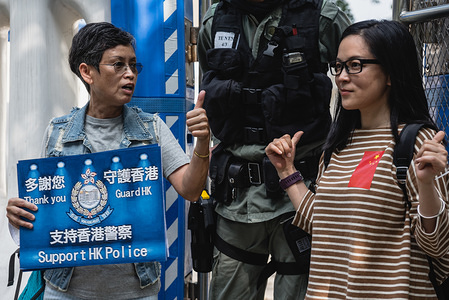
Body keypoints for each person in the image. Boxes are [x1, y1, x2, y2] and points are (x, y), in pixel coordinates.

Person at [6, 22, 210, 300]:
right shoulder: (58, 131)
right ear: (87, 71)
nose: (130, 75)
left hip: (136, 292)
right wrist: (20, 214)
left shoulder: (152, 129)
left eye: (133, 66)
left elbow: (191, 188)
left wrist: (201, 142)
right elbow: (48, 207)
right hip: (64, 290)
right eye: (118, 65)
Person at [265, 19, 449, 299]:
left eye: (355, 65)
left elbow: (438, 247)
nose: (341, 77)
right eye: (338, 66)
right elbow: (327, 225)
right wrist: (287, 172)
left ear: (390, 72)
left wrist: (426, 185)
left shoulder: (417, 144)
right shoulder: (337, 147)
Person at [197, 0, 350, 299]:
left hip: (303, 195)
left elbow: (359, 78)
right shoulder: (214, 19)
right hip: (235, 199)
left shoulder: (324, 17)